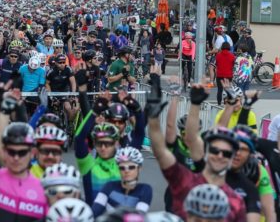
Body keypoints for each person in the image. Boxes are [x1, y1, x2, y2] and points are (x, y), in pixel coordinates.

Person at [145, 71, 246, 221]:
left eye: (226, 153)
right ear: (206, 152)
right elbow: (164, 148)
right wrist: (153, 119)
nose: (219, 155)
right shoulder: (183, 181)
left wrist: (230, 105)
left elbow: (217, 128)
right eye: (214, 150)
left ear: (233, 157)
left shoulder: (236, 202)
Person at [0, 84, 48, 221]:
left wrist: (40, 110)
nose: (16, 157)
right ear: (4, 151)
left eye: (22, 152)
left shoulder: (42, 189)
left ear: (32, 153)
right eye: (11, 152)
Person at [92, 147, 152, 217]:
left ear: (139, 168)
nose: (126, 171)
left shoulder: (145, 189)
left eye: (131, 167)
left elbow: (139, 215)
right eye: (122, 168)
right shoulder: (109, 186)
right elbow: (95, 210)